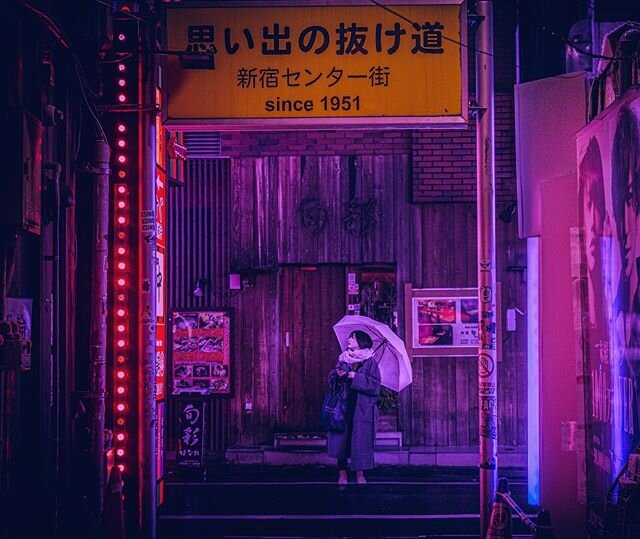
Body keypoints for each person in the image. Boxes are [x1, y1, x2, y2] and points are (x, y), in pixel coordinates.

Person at [326, 330, 381, 485]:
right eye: (350, 337)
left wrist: (356, 377)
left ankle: (360, 474)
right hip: (343, 406)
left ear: (361, 342)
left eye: (353, 337)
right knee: (341, 441)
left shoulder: (370, 362)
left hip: (361, 409)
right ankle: (342, 473)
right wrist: (337, 375)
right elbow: (331, 380)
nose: (349, 340)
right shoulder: (343, 359)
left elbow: (376, 386)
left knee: (360, 442)